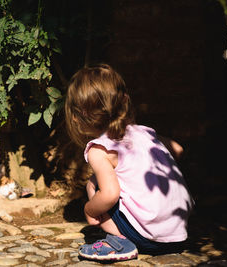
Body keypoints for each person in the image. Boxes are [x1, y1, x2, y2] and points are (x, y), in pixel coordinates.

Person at [65, 64, 194, 261]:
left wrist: (89, 209)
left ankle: (119, 241)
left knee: (95, 184)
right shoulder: (145, 132)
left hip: (147, 238)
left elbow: (109, 195)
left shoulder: (99, 149)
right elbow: (177, 149)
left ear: (77, 116)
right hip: (180, 234)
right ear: (123, 102)